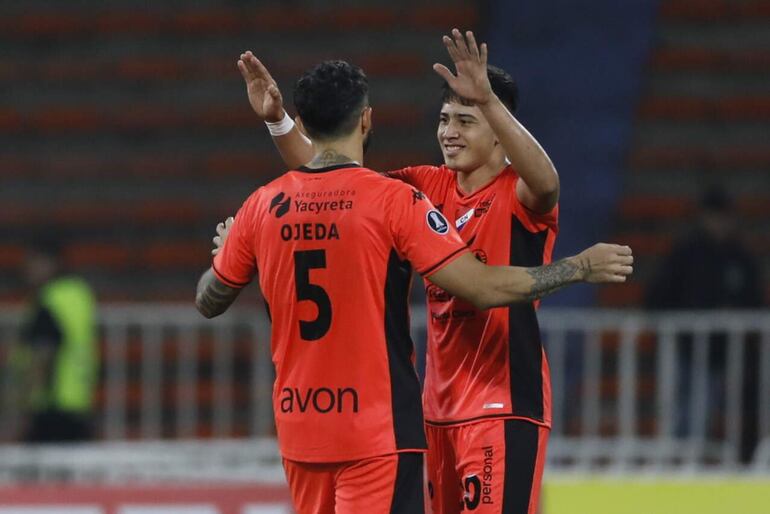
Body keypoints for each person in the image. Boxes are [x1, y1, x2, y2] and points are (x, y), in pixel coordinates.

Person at [199, 57, 632, 514]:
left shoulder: (518, 193)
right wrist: (280, 123)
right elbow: (333, 178)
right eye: (444, 119)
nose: (449, 132)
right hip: (435, 410)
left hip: (500, 405)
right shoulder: (424, 186)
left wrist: (487, 98)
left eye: (466, 121)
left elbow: (547, 184)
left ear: (500, 133)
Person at [646, 186, 763, 463]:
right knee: (675, 413)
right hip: (682, 347)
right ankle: (674, 466)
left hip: (719, 354)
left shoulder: (739, 258)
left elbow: (754, 302)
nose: (720, 223)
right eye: (715, 216)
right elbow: (657, 297)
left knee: (702, 413)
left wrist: (731, 315)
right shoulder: (686, 253)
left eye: (724, 217)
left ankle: (692, 465)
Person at [12, 236, 98, 443]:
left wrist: (25, 405)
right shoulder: (79, 293)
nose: (27, 269)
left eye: (32, 262)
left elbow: (44, 352)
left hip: (50, 407)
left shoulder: (50, 299)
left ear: (49, 262)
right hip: (78, 402)